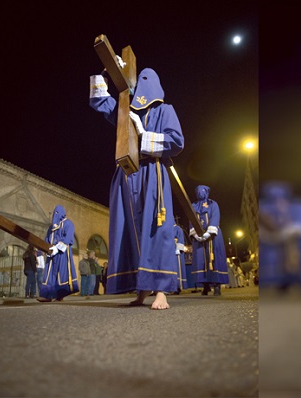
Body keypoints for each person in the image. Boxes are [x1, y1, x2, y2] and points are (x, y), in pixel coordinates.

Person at [90, 66, 184, 310]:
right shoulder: (126, 111)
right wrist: (105, 74)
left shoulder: (165, 110)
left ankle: (161, 292)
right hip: (126, 174)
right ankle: (141, 289)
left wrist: (144, 135)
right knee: (129, 230)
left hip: (152, 171)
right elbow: (102, 103)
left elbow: (176, 141)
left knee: (155, 229)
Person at [259, 181, 301, 295]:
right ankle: (280, 282)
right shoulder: (263, 206)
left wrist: (287, 232)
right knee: (272, 252)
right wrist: (273, 235)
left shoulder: (299, 205)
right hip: (272, 238)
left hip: (295, 237)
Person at [189, 185, 229, 296]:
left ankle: (217, 286)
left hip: (212, 236)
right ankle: (205, 286)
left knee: (214, 258)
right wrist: (195, 234)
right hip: (199, 238)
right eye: (197, 191)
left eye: (202, 191)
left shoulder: (213, 204)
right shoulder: (193, 205)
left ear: (207, 192)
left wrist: (209, 232)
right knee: (200, 261)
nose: (199, 193)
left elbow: (215, 217)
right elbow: (191, 220)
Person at [37, 205, 79, 302]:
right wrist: (47, 249)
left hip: (62, 253)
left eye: (57, 213)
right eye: (54, 213)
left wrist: (57, 248)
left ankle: (60, 295)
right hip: (52, 253)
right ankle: (46, 295)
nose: (55, 215)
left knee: (61, 274)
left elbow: (68, 238)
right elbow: (47, 239)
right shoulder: (50, 228)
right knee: (49, 274)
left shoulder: (68, 224)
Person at [173, 222, 188, 294]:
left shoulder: (177, 228)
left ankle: (177, 287)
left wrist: (178, 249)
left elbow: (180, 239)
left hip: (176, 251)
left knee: (177, 269)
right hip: (168, 251)